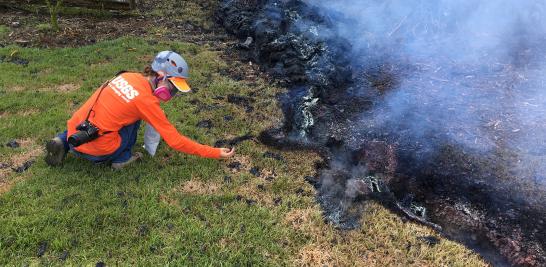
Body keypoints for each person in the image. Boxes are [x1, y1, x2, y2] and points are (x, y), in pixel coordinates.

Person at [45, 51, 235, 169]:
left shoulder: (126, 76)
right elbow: (176, 141)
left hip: (74, 135)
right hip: (98, 152)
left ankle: (61, 141)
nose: (173, 92)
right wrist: (215, 152)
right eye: (173, 86)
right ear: (161, 77)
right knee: (133, 119)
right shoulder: (146, 102)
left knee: (103, 111)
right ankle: (122, 158)